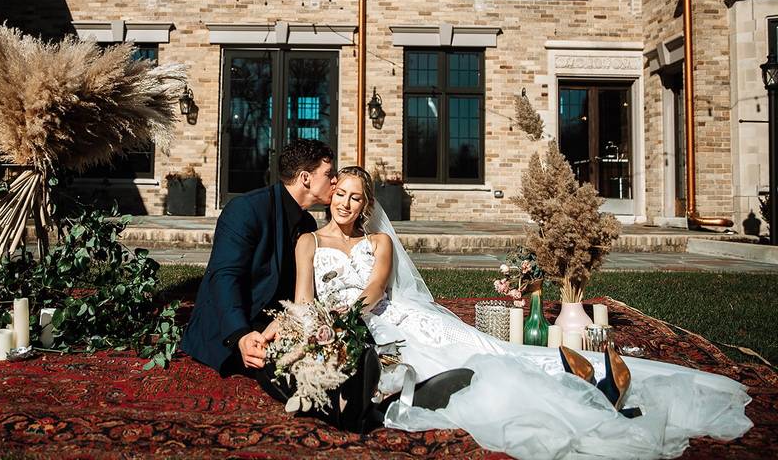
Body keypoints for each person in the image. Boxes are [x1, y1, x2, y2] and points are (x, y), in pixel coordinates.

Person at [276, 165, 752, 460]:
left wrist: (343, 319)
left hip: (391, 316)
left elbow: (377, 288)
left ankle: (586, 386)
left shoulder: (378, 241)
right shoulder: (308, 242)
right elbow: (301, 298)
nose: (345, 203)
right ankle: (574, 395)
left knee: (495, 356)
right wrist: (314, 330)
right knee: (451, 381)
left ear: (366, 206)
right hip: (346, 328)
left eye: (356, 198)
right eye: (341, 194)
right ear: (331, 193)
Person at [181, 139, 336, 376]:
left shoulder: (308, 223)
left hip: (275, 321)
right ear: (306, 178)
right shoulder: (246, 209)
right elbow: (224, 276)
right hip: (235, 323)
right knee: (289, 367)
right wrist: (240, 335)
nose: (334, 180)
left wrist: (289, 322)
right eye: (329, 174)